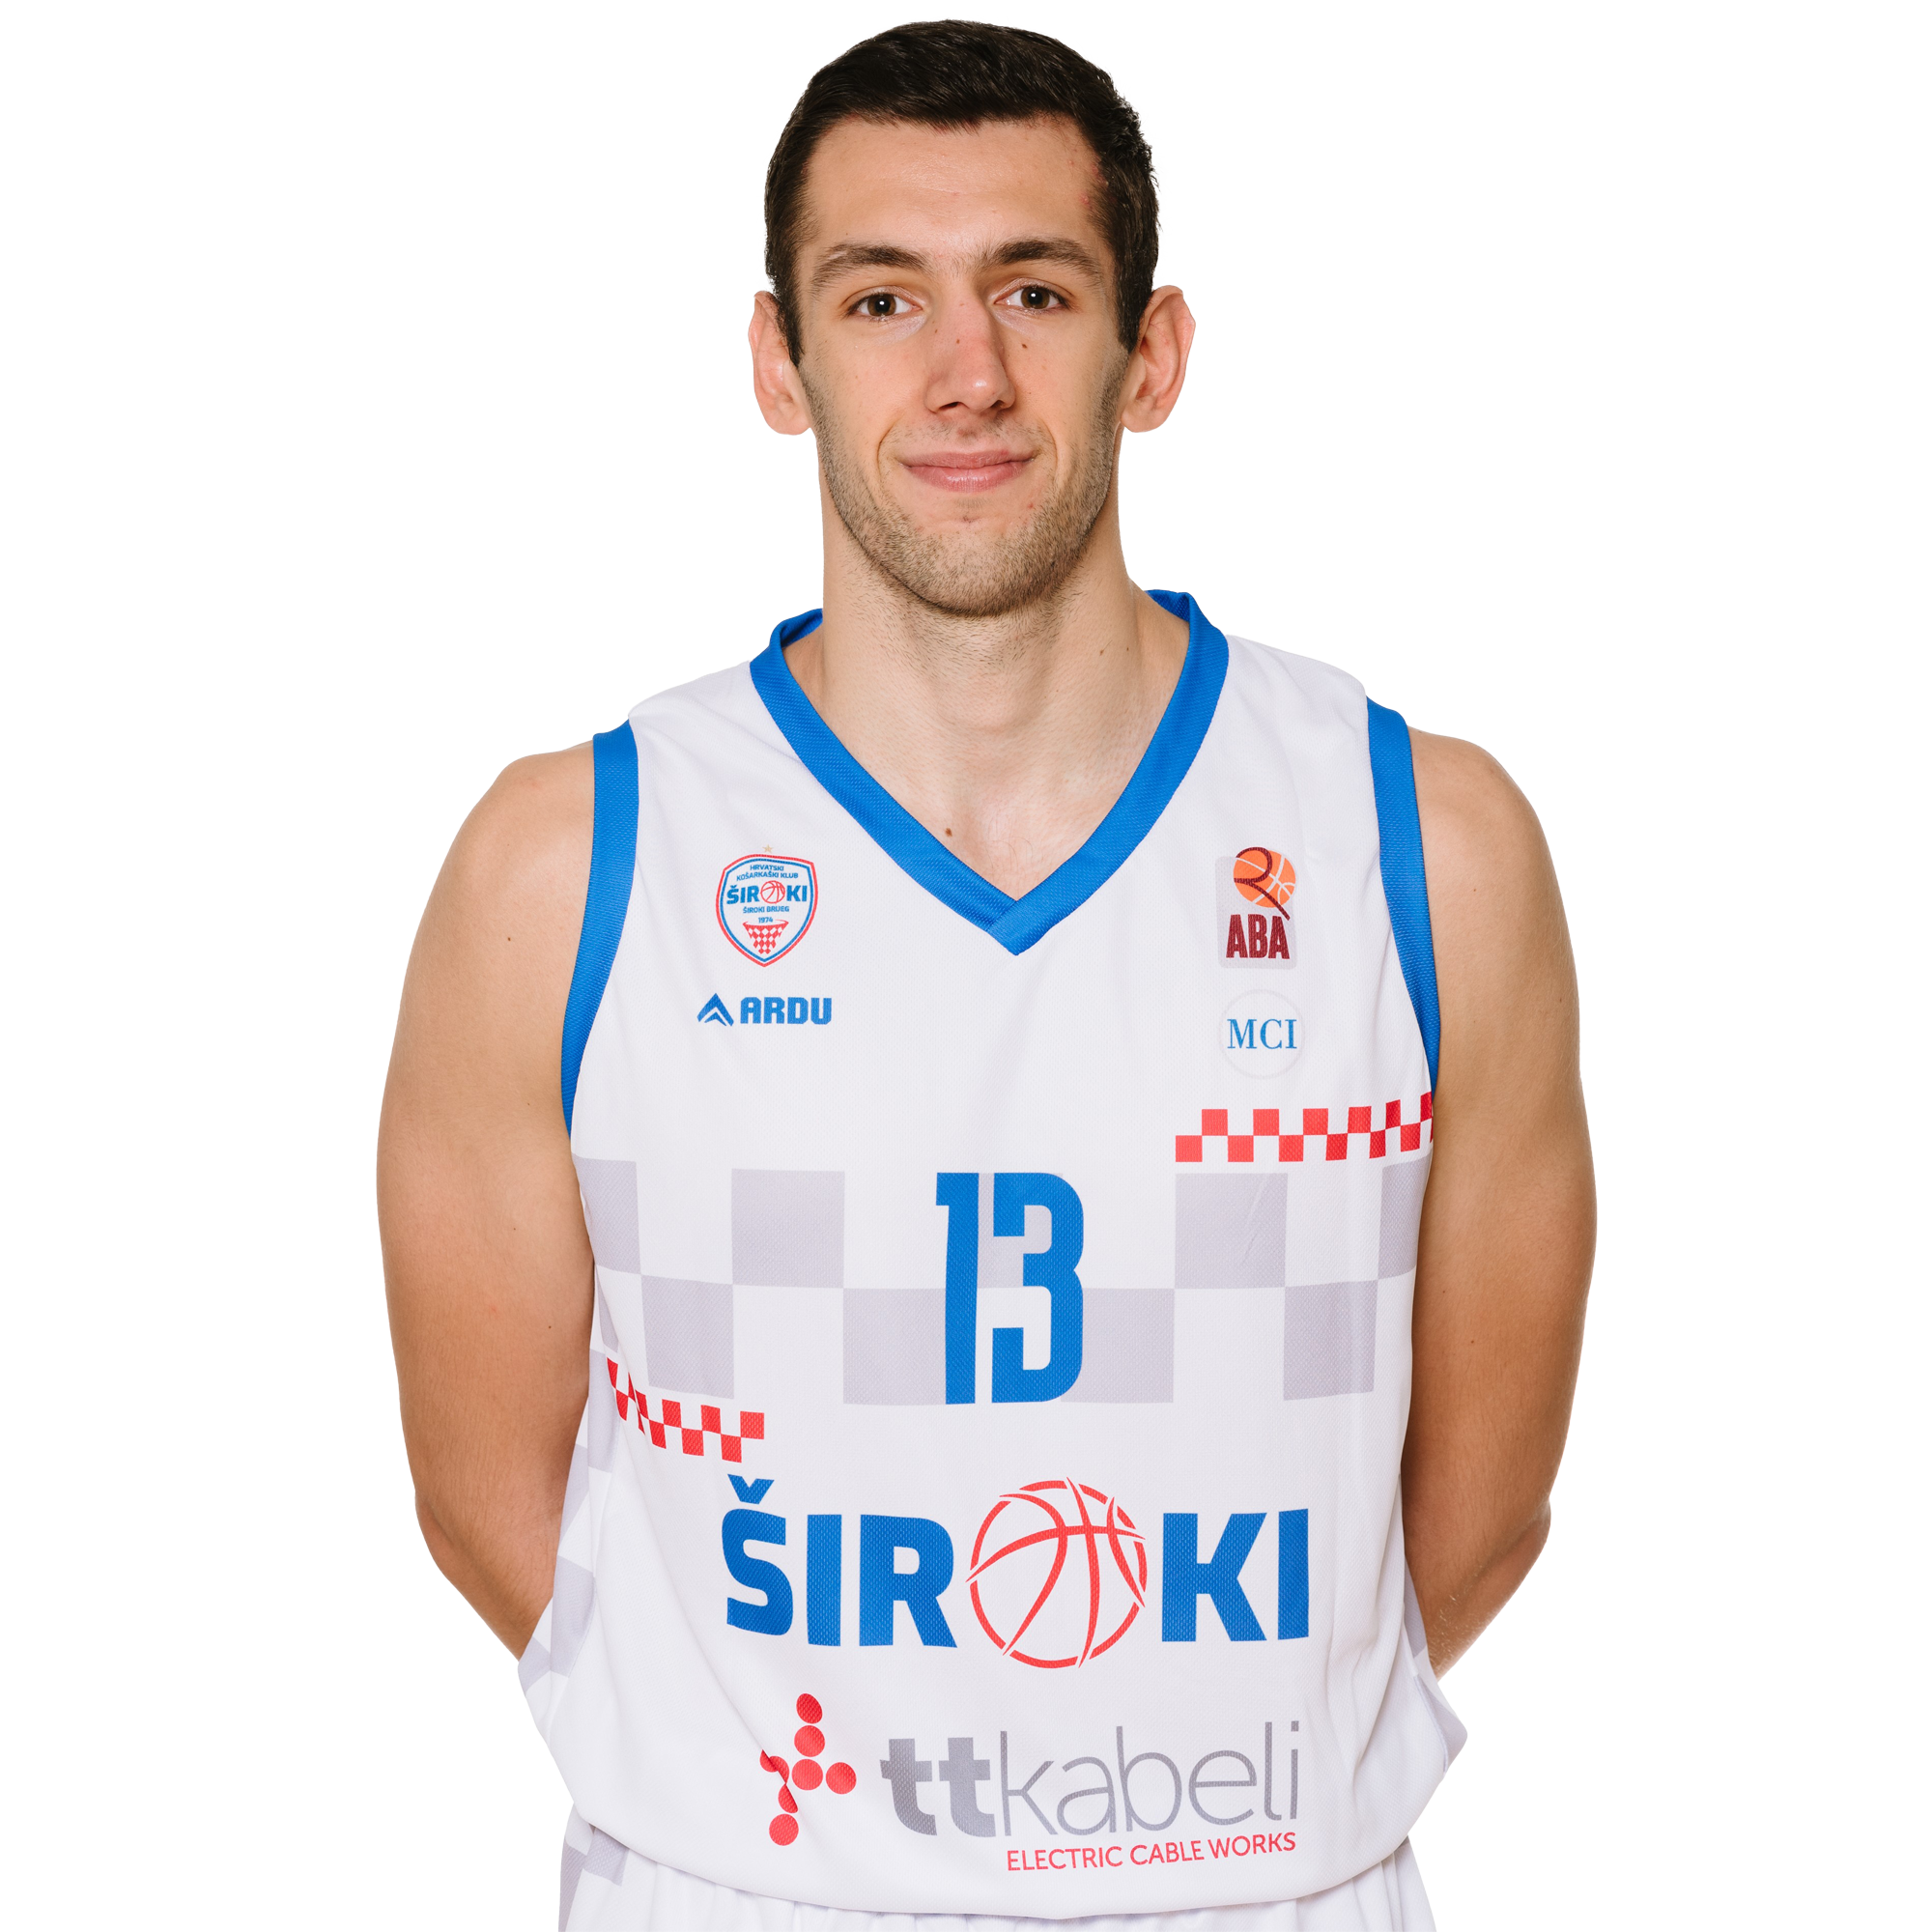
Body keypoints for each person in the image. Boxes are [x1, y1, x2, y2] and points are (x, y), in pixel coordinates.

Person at [380, 19, 1594, 1930]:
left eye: (1035, 290)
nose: (967, 373)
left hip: (1252, 1881)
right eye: (881, 299)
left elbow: (1482, 1505)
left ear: (1151, 352)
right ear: (779, 359)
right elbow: (483, 1504)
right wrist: (808, 1817)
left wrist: (1169, 1798)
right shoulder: (570, 864)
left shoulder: (1420, 848)